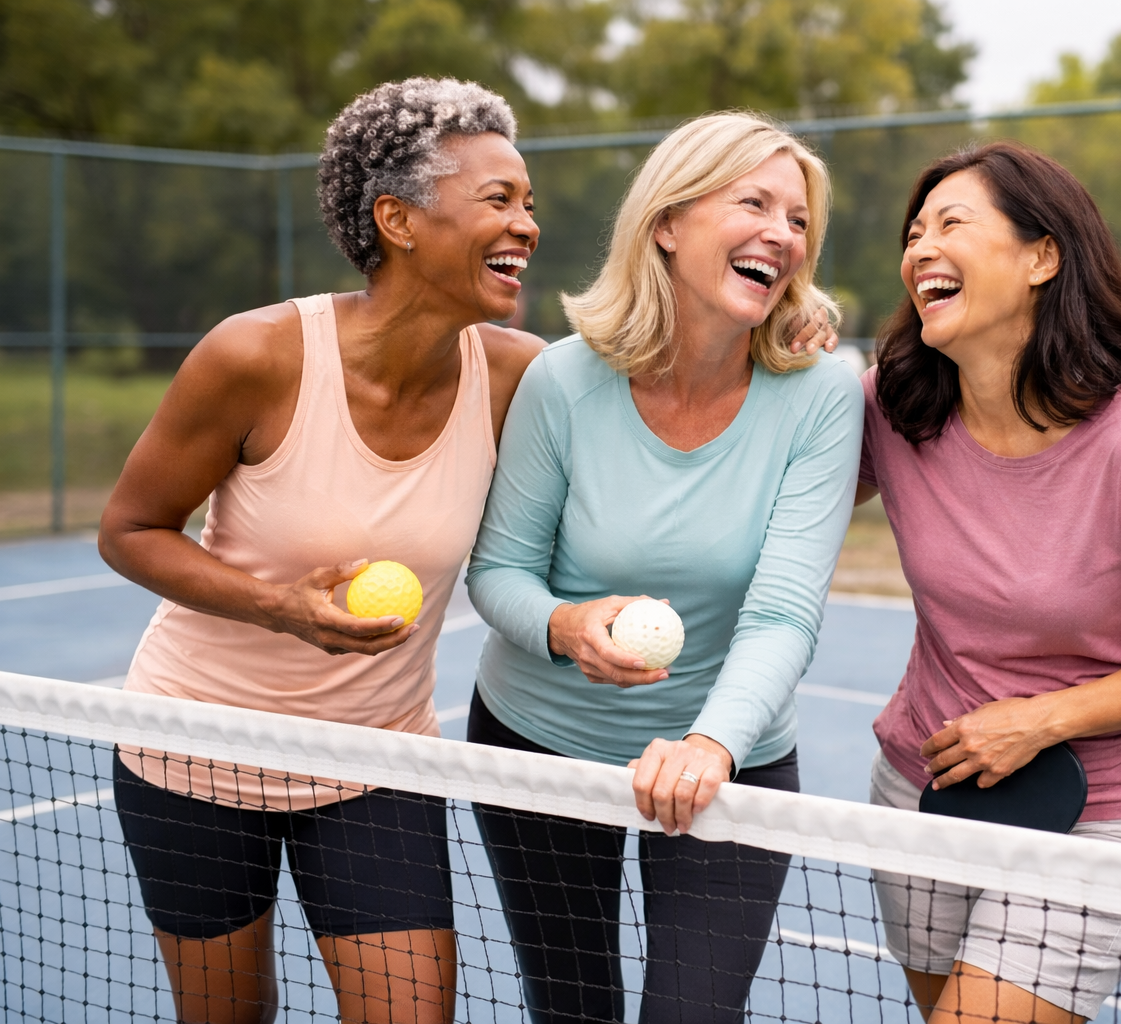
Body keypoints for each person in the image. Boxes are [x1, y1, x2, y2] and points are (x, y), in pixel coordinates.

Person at [96, 79, 836, 1024]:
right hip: (196, 750)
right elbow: (129, 530)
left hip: (377, 765)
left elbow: (669, 393)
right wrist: (281, 607)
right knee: (231, 1013)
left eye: (529, 201)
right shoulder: (258, 355)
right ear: (399, 220)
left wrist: (778, 318)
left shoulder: (517, 372)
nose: (527, 222)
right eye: (499, 199)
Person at [464, 111, 863, 1024]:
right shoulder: (563, 380)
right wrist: (566, 626)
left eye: (799, 220)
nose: (782, 234)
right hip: (538, 744)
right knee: (573, 1010)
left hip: (729, 760)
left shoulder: (823, 396)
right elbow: (500, 571)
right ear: (669, 222)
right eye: (753, 203)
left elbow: (783, 614)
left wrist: (708, 747)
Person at [856, 141, 1121, 1024]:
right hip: (924, 793)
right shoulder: (893, 407)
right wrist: (787, 352)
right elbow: (760, 485)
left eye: (951, 224)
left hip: (1100, 817)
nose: (921, 248)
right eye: (913, 234)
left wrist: (1037, 721)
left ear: (1042, 256)